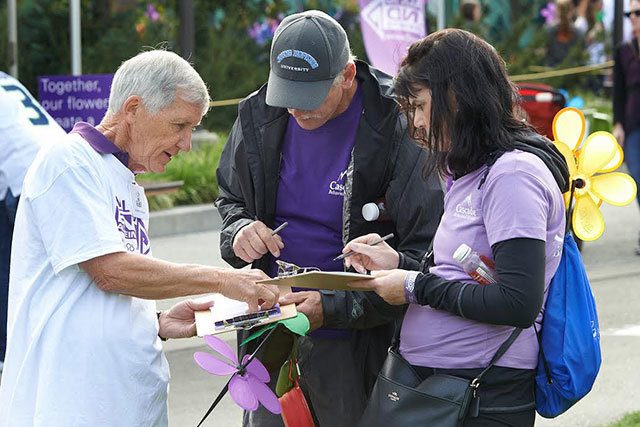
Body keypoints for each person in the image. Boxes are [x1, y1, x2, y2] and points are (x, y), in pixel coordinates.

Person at [0, 50, 279, 426]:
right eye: (180, 125)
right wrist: (224, 279)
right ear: (133, 108)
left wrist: (157, 321)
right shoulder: (69, 161)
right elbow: (110, 272)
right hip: (73, 405)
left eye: (192, 129)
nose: (186, 144)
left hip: (130, 403)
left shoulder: (127, 183)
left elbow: (108, 291)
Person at [216, 10, 443, 427]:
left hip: (355, 339)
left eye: (310, 97)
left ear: (348, 74)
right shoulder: (260, 113)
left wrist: (335, 307)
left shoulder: (399, 122)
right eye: (286, 95)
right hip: (270, 323)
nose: (296, 111)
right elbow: (230, 199)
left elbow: (424, 254)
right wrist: (239, 232)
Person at [343, 29, 569, 425]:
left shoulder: (512, 175)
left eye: (419, 107)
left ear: (457, 98)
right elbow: (461, 274)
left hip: (480, 393)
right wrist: (398, 262)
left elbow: (517, 303)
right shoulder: (470, 172)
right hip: (441, 386)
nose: (414, 124)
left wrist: (413, 285)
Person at [0, 73, 67, 374]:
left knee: (13, 274)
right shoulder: (5, 80)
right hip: (61, 166)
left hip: (23, 179)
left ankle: (12, 358)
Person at [613, 0, 640, 255]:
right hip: (633, 123)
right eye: (629, 13)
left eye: (638, 13)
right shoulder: (624, 50)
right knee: (637, 177)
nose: (633, 18)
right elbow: (618, 92)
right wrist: (618, 123)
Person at [546, 0, 586, 67]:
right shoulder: (579, 33)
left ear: (556, 11)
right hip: (573, 74)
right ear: (572, 10)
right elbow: (582, 56)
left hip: (553, 73)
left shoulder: (549, 30)